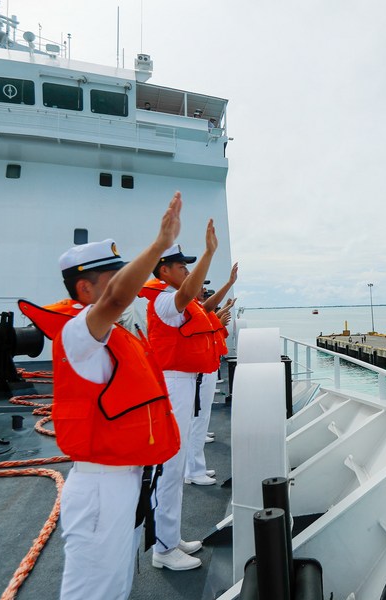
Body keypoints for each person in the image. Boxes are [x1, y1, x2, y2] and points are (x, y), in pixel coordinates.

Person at [17, 193, 184, 599]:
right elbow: (116, 299)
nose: (129, 283)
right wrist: (160, 245)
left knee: (116, 585)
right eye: (115, 275)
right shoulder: (78, 334)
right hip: (99, 489)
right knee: (93, 591)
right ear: (85, 288)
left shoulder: (116, 334)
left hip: (124, 480)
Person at [138, 225, 220, 571]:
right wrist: (209, 253)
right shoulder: (162, 300)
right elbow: (187, 295)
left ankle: (170, 537)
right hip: (173, 385)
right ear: (164, 271)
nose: (187, 271)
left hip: (184, 384)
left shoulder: (169, 298)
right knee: (169, 466)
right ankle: (164, 549)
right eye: (182, 266)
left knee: (176, 462)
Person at [183, 268, 238, 486]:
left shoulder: (195, 308)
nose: (204, 290)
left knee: (200, 418)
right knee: (195, 421)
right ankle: (193, 471)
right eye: (201, 286)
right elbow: (204, 329)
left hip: (205, 367)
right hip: (197, 372)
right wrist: (219, 317)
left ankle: (197, 467)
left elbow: (210, 325)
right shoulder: (188, 308)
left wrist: (221, 315)